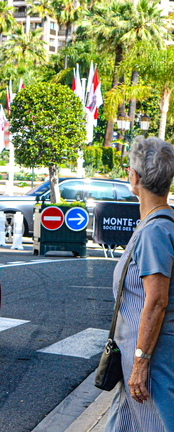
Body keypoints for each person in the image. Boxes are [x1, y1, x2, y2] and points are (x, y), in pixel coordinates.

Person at [105, 137, 174, 432]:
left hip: (151, 361)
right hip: (137, 358)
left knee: (155, 424)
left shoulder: (156, 231)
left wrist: (141, 362)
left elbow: (156, 301)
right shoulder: (153, 225)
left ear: (133, 178)